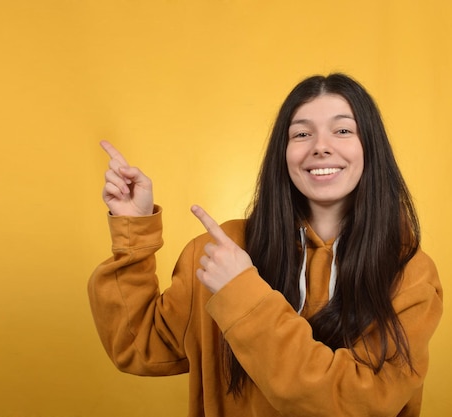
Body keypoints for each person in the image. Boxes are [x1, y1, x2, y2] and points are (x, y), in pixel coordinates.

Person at [87, 73, 443, 416]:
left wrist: (242, 293)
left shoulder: (410, 273)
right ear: (283, 152)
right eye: (302, 133)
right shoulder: (223, 251)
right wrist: (132, 230)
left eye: (343, 130)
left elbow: (354, 403)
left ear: (371, 147)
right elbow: (139, 346)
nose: (321, 146)